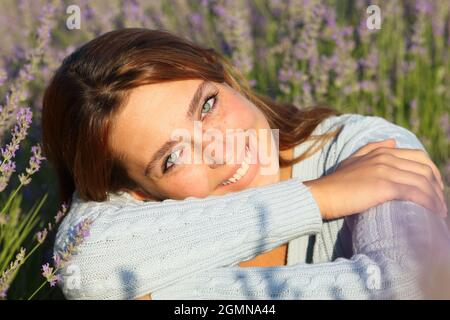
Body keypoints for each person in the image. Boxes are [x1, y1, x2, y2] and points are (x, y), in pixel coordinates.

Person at [41, 28, 450, 300]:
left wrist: (168, 294)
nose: (221, 151)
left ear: (221, 74)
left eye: (207, 105)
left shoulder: (365, 150)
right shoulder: (134, 214)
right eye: (172, 157)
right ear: (134, 192)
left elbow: (414, 285)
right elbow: (83, 267)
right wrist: (316, 199)